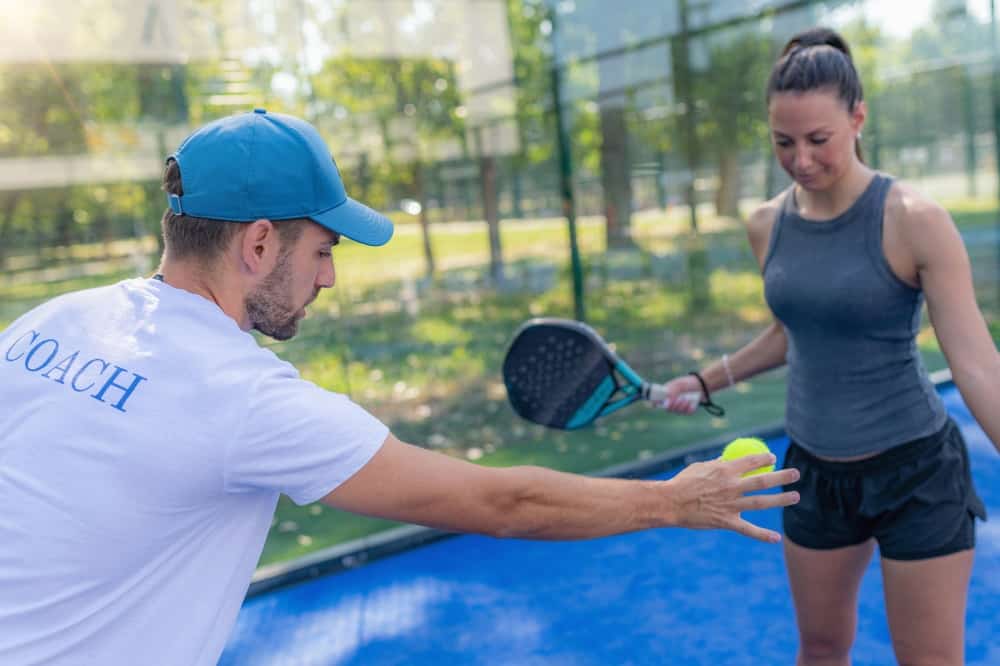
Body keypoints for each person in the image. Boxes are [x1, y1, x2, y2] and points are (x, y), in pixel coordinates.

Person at [0, 108, 800, 665]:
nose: (332, 276)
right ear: (257, 243)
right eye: (321, 249)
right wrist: (673, 500)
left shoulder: (52, 323)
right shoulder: (247, 402)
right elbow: (502, 504)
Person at [660, 27, 999, 666]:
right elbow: (797, 331)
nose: (802, 160)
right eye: (783, 143)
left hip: (917, 473)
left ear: (858, 118)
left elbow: (977, 364)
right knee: (819, 648)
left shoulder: (914, 218)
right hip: (813, 474)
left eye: (819, 140)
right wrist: (706, 380)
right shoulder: (766, 223)